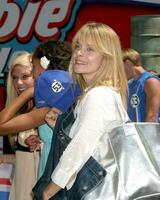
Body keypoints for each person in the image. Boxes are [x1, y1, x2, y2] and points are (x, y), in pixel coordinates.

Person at [39, 22, 130, 200]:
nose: (79, 53)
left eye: (90, 49)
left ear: (107, 57)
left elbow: (80, 148)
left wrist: (49, 190)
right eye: (78, 46)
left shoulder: (99, 95)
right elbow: (92, 141)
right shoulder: (97, 94)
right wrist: (58, 126)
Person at [0, 39, 73, 179]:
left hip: (56, 177)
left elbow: (1, 125)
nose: (33, 74)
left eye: (33, 67)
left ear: (44, 65)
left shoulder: (50, 104)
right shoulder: (64, 93)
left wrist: (28, 93)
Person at [0, 52, 39, 200]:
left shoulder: (44, 107)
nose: (19, 83)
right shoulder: (18, 109)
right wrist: (4, 158)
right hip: (21, 182)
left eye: (25, 77)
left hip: (37, 181)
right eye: (15, 78)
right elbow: (23, 156)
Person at [122, 48, 160, 122]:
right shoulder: (130, 84)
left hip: (149, 132)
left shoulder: (151, 81)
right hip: (134, 131)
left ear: (127, 63)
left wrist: (144, 133)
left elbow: (152, 115)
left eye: (120, 67)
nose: (119, 71)